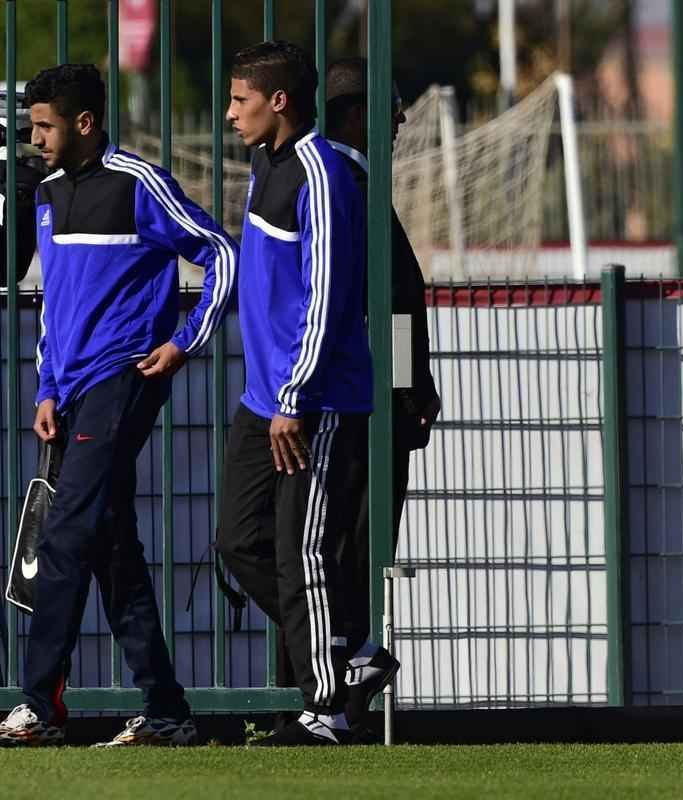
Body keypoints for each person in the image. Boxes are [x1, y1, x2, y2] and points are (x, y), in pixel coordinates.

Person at [0, 63, 237, 747]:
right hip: (71, 392)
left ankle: (39, 707)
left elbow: (220, 251)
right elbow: (54, 301)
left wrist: (186, 342)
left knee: (65, 534)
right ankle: (167, 713)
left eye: (44, 126)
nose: (34, 138)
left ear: (85, 122)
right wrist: (46, 387)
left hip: (124, 378)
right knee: (111, 549)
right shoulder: (45, 192)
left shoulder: (139, 183)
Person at [269, 56, 440, 731]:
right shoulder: (352, 183)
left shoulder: (308, 175)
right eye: (388, 108)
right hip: (355, 402)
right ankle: (342, 674)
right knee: (344, 554)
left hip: (317, 396)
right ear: (350, 112)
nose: (399, 121)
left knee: (310, 552)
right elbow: (394, 302)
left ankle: (319, 689)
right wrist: (406, 389)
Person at [216, 41, 373, 747]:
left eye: (240, 101)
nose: (229, 116)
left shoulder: (324, 172)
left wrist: (295, 396)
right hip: (264, 399)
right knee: (237, 540)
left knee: (300, 551)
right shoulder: (263, 164)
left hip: (311, 401)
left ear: (279, 101)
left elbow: (328, 293)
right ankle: (348, 657)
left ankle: (328, 708)